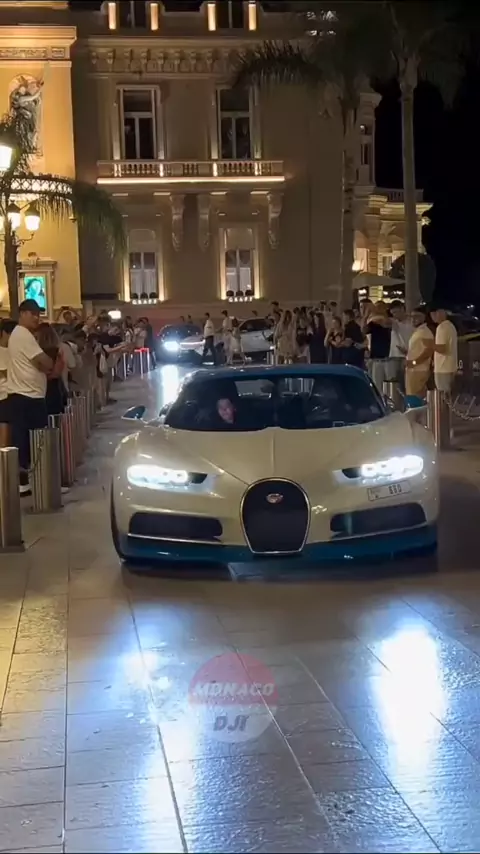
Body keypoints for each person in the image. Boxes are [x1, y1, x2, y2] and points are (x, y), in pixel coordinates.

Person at [7, 300, 53, 495]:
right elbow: (45, 362)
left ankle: (30, 482)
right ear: (22, 314)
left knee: (27, 440)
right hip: (26, 396)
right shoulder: (23, 335)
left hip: (27, 395)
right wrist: (47, 363)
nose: (36, 317)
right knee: (34, 442)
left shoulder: (23, 335)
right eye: (32, 313)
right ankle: (32, 483)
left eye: (38, 314)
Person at [405, 306, 435, 403]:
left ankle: (417, 412)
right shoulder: (418, 331)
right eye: (411, 316)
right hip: (413, 369)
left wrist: (414, 362)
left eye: (416, 316)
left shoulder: (425, 332)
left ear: (424, 317)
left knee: (415, 396)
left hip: (418, 370)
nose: (413, 319)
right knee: (413, 394)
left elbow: (429, 351)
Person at [37, 323, 67, 416]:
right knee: (56, 417)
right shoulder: (58, 351)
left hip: (43, 388)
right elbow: (58, 371)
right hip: (55, 386)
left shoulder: (37, 353)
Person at [430, 305, 458, 394]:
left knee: (443, 397)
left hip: (442, 369)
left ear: (442, 312)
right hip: (451, 367)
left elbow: (442, 348)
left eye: (434, 313)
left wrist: (428, 344)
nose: (432, 316)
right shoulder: (451, 326)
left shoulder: (442, 327)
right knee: (448, 396)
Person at [364, 301, 392, 391]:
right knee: (377, 385)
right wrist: (366, 316)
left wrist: (377, 316)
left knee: (390, 385)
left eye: (379, 307)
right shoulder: (372, 323)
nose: (377, 309)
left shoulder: (389, 320)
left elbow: (385, 323)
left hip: (389, 358)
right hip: (376, 358)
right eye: (376, 307)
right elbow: (364, 330)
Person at [388, 300, 413, 391]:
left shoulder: (412, 322)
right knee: (394, 382)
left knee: (406, 382)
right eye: (392, 313)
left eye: (396, 312)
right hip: (394, 356)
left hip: (407, 355)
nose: (394, 315)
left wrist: (409, 351)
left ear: (402, 309)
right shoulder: (394, 322)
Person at [0, 320, 16, 447]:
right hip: (3, 394)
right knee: (4, 431)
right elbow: (5, 372)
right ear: (5, 333)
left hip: (14, 393)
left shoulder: (14, 350)